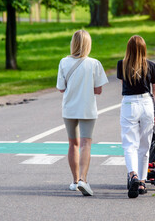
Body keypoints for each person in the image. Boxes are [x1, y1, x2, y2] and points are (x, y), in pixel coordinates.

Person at [56, 30, 108, 196]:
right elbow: (98, 90)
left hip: (69, 108)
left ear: (73, 43)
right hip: (87, 108)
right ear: (88, 44)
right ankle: (83, 180)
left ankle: (74, 180)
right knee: (86, 143)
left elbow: (61, 88)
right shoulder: (94, 63)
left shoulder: (64, 62)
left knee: (73, 144)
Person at [117, 35, 155, 198]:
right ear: (144, 49)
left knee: (129, 144)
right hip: (146, 104)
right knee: (145, 145)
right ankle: (142, 183)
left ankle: (133, 175)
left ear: (128, 49)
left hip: (129, 104)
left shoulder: (121, 65)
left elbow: (124, 86)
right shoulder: (151, 66)